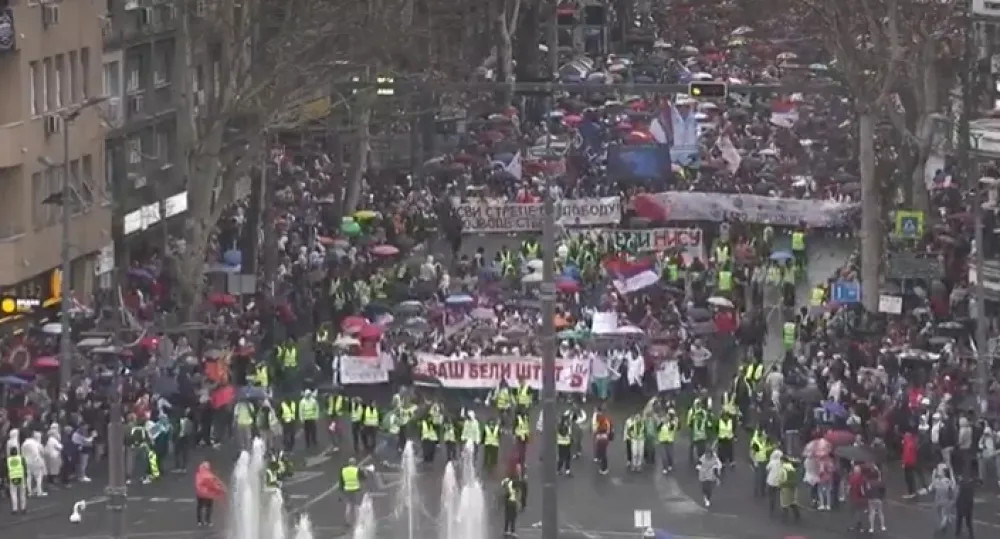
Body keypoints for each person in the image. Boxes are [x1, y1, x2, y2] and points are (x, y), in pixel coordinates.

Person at [194, 461, 226, 527]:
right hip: (208, 494)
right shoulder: (209, 475)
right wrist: (220, 489)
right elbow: (213, 485)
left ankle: (199, 521)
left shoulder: (198, 474)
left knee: (199, 507)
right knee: (209, 507)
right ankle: (207, 521)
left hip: (200, 494)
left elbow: (197, 484)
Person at [341, 457, 366, 523]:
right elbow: (364, 478)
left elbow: (342, 480)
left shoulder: (344, 470)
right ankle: (358, 521)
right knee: (356, 505)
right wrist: (363, 470)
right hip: (355, 489)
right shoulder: (357, 470)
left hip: (347, 489)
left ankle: (347, 521)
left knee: (349, 505)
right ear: (354, 463)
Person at [500, 471, 520, 536]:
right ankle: (512, 531)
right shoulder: (514, 483)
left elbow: (502, 484)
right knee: (513, 517)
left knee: (507, 516)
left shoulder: (506, 481)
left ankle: (506, 530)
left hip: (508, 502)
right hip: (512, 502)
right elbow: (516, 492)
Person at [7, 445, 27, 514]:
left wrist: (6, 479)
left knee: (13, 494)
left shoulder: (8, 460)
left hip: (12, 477)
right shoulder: (21, 458)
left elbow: (6, 470)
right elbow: (25, 468)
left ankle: (14, 509)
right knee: (22, 494)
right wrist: (26, 477)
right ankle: (23, 508)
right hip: (21, 477)